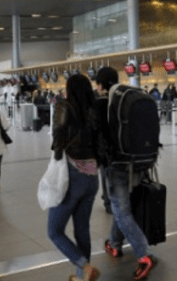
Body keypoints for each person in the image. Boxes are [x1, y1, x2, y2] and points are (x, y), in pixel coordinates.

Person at [95, 67, 157, 281]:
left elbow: (98, 134)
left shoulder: (104, 102)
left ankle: (143, 256)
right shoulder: (129, 95)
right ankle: (114, 245)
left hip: (118, 164)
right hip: (140, 161)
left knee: (121, 211)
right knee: (121, 206)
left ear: (100, 84)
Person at [47, 74, 101, 281]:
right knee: (82, 230)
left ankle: (84, 267)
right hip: (92, 175)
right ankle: (82, 276)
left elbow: (57, 138)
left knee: (54, 231)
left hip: (72, 173)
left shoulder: (64, 106)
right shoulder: (94, 109)